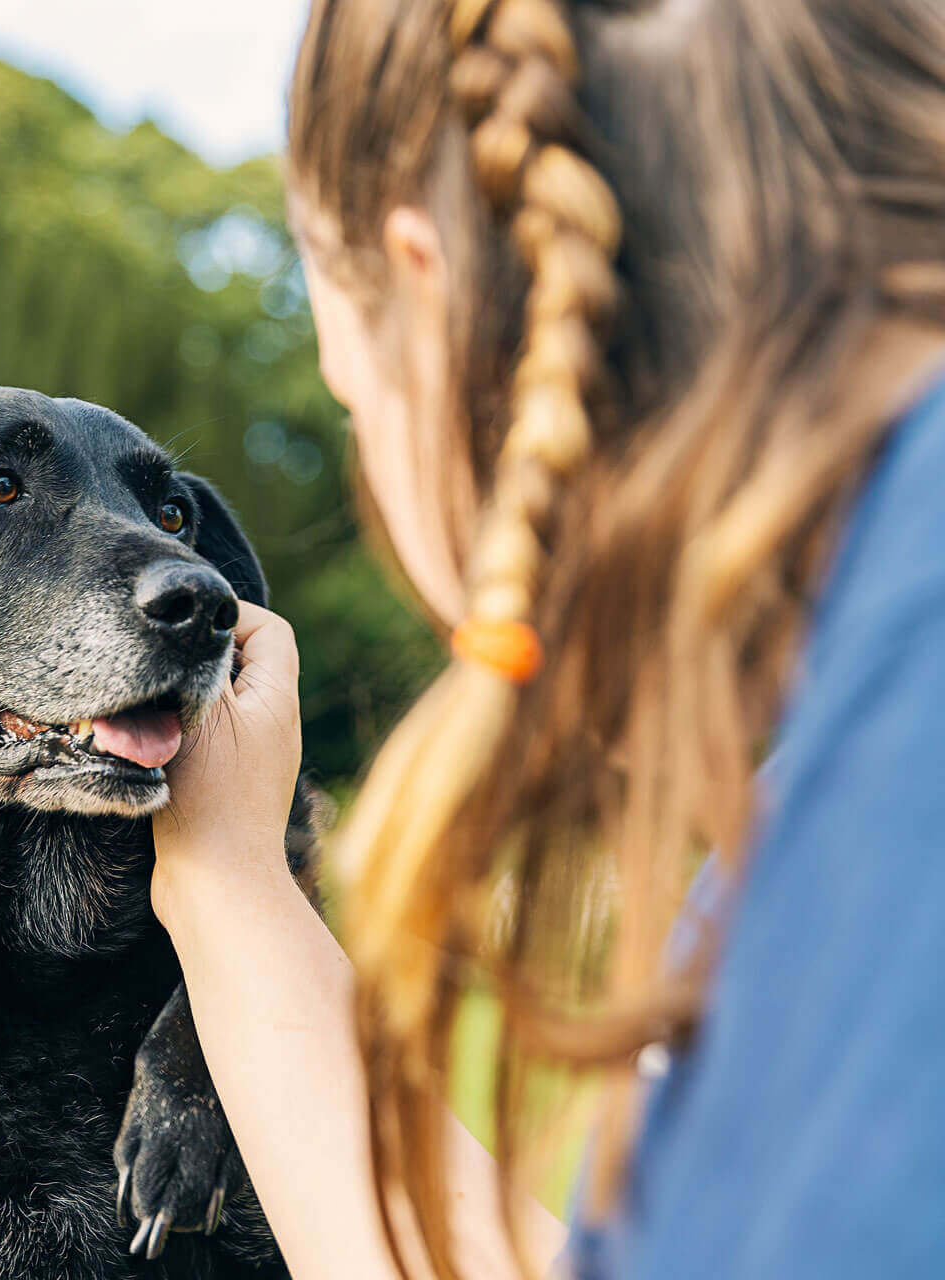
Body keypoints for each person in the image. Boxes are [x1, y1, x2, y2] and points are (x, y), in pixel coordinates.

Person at [152, 1, 945, 1277]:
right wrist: (227, 881)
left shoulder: (893, 801)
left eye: (353, 398)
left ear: (430, 287)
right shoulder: (857, 724)